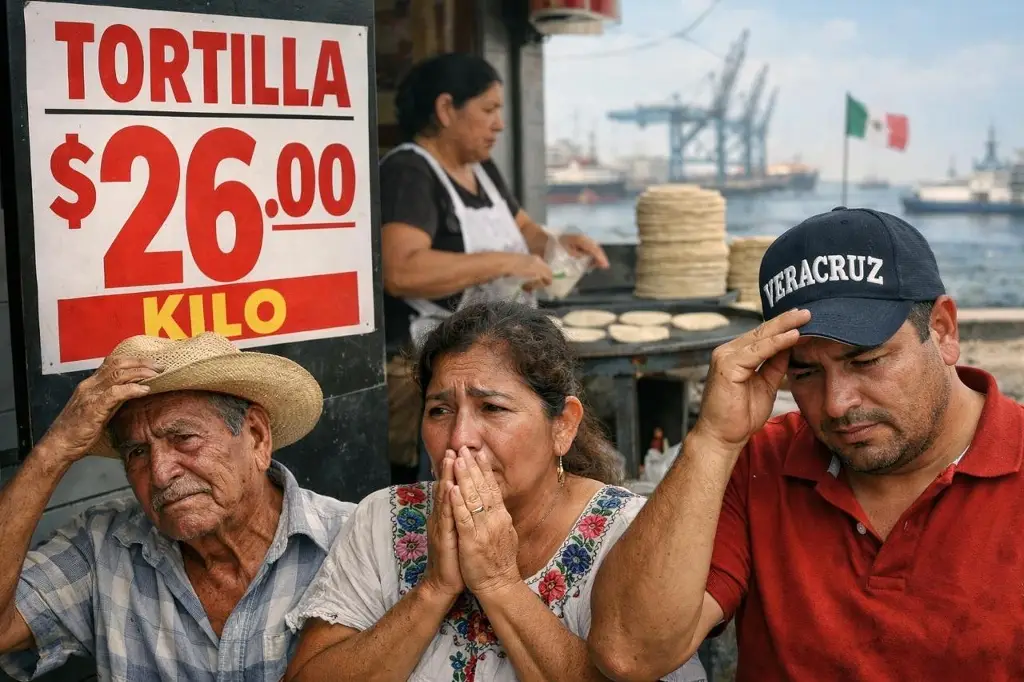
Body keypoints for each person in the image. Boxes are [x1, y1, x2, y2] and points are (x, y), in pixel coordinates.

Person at [588, 207, 1024, 681]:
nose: (836, 404)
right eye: (805, 372)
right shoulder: (760, 460)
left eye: (866, 361)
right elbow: (629, 653)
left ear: (941, 330)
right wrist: (712, 440)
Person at [282, 302, 707, 682]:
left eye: (493, 408)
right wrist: (433, 589)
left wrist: (498, 582)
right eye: (440, 410)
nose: (460, 438)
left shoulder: (630, 536)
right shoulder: (385, 518)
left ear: (563, 426)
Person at [0, 332, 356, 681]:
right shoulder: (104, 546)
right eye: (137, 452)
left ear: (257, 437)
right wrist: (54, 451)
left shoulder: (354, 542)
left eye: (183, 438)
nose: (160, 473)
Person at [380, 52, 609, 482]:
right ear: (446, 109)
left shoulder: (481, 170)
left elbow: (527, 233)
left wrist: (561, 242)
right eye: (488, 109)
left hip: (493, 354)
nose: (499, 124)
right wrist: (506, 263)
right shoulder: (409, 171)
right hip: (426, 368)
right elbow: (402, 268)